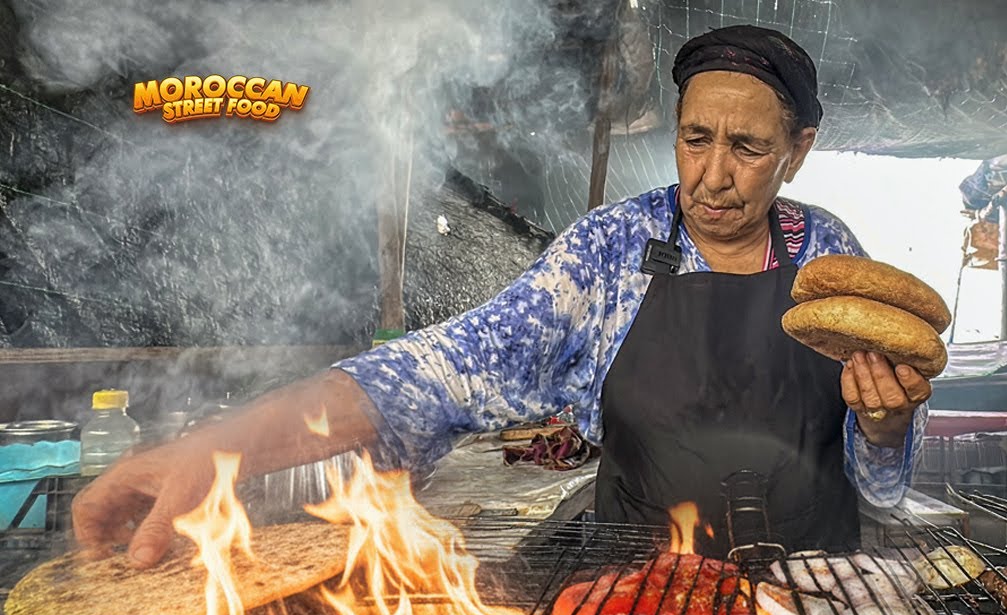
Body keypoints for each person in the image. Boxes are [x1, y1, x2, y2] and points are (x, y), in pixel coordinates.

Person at [73, 24, 931, 564]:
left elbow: (882, 490)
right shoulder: (607, 253)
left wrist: (887, 429)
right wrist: (221, 447)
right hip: (636, 599)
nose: (711, 176)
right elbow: (428, 374)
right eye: (694, 137)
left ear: (800, 149)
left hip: (816, 596)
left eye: (746, 147)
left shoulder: (831, 256)